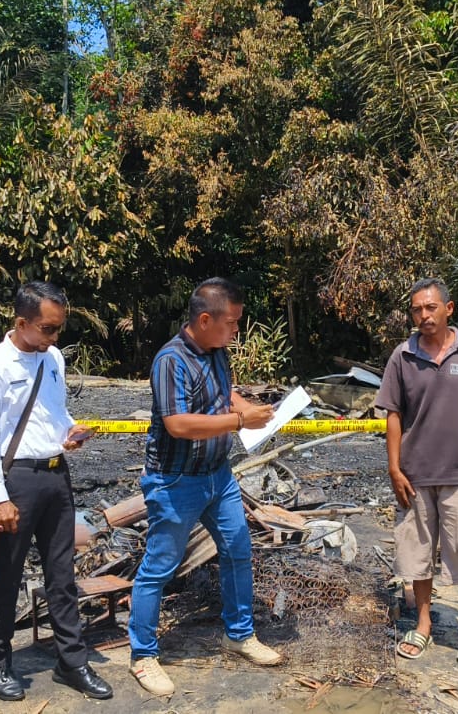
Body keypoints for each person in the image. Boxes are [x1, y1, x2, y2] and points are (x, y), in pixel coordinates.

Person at [127, 277, 282, 697]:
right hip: (176, 480)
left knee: (237, 551)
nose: (236, 330)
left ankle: (239, 634)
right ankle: (143, 656)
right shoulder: (170, 361)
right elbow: (178, 424)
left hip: (218, 476)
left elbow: (223, 395)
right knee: (160, 566)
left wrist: (251, 409)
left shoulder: (217, 353)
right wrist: (240, 421)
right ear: (205, 319)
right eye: (231, 322)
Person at [0, 281, 111, 701]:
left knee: (62, 575)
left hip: (55, 475)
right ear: (21, 323)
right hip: (17, 481)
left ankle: (72, 662)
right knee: (8, 574)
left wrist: (70, 431)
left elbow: (55, 412)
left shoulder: (54, 359)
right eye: (47, 329)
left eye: (59, 328)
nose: (54, 337)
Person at [375, 278, 458, 665]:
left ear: (449, 308)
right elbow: (392, 415)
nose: (424, 316)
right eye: (417, 310)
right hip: (414, 475)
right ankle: (424, 623)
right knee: (417, 554)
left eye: (431, 307)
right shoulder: (402, 356)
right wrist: (394, 467)